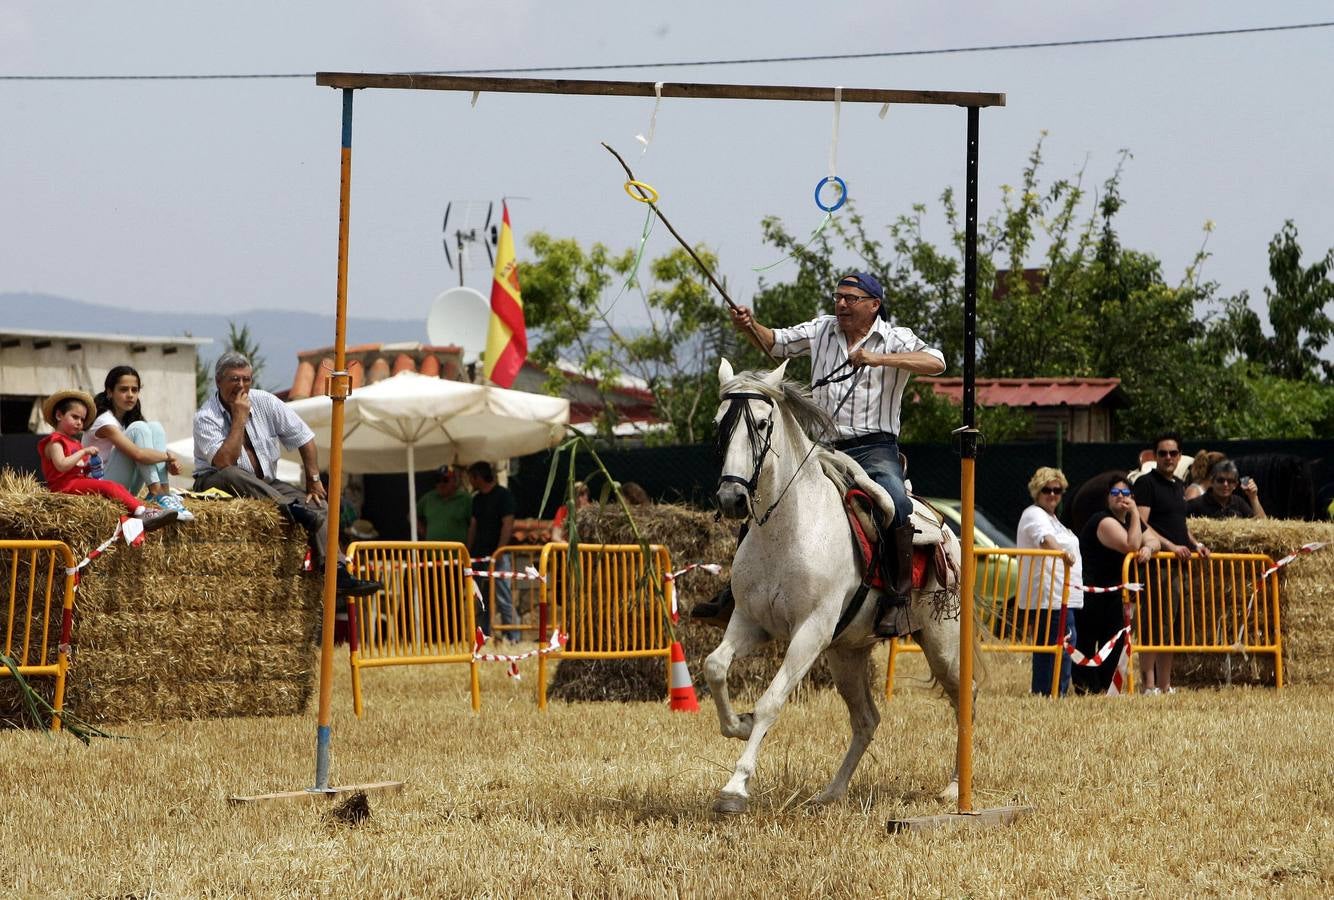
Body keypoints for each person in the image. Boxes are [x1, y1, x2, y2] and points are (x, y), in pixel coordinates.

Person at [694, 271, 946, 637]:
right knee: (763, 497)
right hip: (820, 446)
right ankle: (736, 593)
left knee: (895, 501)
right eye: (838, 297)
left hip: (874, 447)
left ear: (874, 305)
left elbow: (936, 361)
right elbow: (775, 343)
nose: (841, 304)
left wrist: (878, 359)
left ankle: (897, 598)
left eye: (851, 298)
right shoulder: (822, 328)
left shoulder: (894, 337)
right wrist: (750, 325)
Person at [192, 351, 380, 597]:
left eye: (246, 379)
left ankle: (336, 571)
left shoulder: (266, 402)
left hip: (264, 484)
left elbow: (304, 437)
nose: (241, 385)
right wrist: (239, 419)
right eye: (234, 379)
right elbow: (224, 462)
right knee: (231, 473)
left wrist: (313, 480)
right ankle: (289, 508)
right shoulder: (206, 417)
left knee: (318, 504)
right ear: (219, 381)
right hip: (216, 484)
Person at [1132, 431, 1209, 694]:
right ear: (1154, 456)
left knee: (1173, 628)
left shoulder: (1178, 484)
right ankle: (1148, 685)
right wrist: (1171, 547)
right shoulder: (1146, 483)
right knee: (1155, 625)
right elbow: (1143, 524)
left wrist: (1195, 544)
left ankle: (1165, 685)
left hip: (1179, 566)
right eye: (1163, 453)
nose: (1168, 457)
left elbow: (1180, 525)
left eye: (1173, 453)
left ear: (1179, 456)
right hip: (1158, 566)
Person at [37, 390, 177, 531]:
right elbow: (61, 465)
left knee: (117, 487)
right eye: (75, 417)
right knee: (109, 486)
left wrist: (89, 467)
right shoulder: (55, 442)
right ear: (59, 415)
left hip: (74, 482)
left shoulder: (74, 442)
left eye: (82, 419)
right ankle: (141, 512)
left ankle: (143, 507)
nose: (79, 423)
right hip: (63, 486)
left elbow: (76, 468)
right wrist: (84, 452)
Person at [1075, 474, 1160, 694]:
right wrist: (1135, 514)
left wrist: (1148, 548)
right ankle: (1085, 689)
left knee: (1114, 643)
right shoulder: (1103, 520)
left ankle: (1105, 688)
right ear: (1107, 498)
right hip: (1092, 592)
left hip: (1115, 594)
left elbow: (1154, 540)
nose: (1120, 497)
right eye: (1115, 493)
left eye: (1125, 493)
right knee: (1086, 643)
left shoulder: (1131, 521)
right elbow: (1131, 545)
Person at [83, 365, 194, 522]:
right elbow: (139, 454)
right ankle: (157, 492)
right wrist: (168, 457)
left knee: (155, 427)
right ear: (109, 392)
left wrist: (168, 464)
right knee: (139, 428)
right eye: (123, 390)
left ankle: (164, 493)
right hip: (100, 490)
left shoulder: (127, 420)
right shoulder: (104, 422)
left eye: (134, 390)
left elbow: (145, 454)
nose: (130, 395)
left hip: (122, 488)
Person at [1015, 467, 1083, 696]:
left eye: (1057, 490)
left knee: (1059, 644)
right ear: (1037, 491)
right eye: (1047, 490)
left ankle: (1052, 692)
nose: (1053, 494)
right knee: (1055, 645)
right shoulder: (1034, 514)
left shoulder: (1053, 519)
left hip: (1062, 593)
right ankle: (1049, 692)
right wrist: (1062, 554)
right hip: (1048, 595)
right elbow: (1044, 539)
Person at [466, 461, 520, 640]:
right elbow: (473, 527)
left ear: (478, 477)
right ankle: (484, 635)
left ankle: (513, 637)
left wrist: (499, 551)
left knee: (504, 597)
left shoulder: (503, 495)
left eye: (471, 478)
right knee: (482, 599)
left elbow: (508, 524)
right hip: (479, 557)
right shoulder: (477, 499)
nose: (470, 482)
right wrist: (467, 552)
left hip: (498, 556)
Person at [1185, 459, 1267, 519]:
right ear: (1212, 482)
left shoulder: (1239, 503)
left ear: (1235, 485)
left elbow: (1263, 525)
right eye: (1220, 480)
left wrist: (1253, 497)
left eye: (1230, 481)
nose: (1225, 484)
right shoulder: (1197, 504)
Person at [417, 466, 471, 543]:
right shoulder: (428, 498)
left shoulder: (465, 499)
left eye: (445, 480)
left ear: (454, 481)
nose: (441, 484)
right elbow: (412, 515)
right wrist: (423, 531)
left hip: (456, 550)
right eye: (438, 480)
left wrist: (469, 547)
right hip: (432, 550)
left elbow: (473, 524)